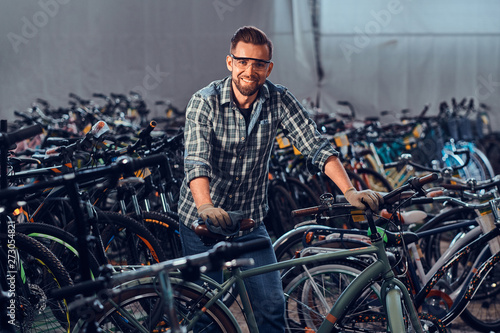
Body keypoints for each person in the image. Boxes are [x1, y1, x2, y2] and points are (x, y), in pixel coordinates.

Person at [178, 25, 383, 332]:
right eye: (243, 61)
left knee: (272, 307)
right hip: (202, 222)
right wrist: (206, 206)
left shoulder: (278, 100)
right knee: (208, 314)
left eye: (259, 64)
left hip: (249, 222)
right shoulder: (204, 101)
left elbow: (315, 145)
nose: (250, 70)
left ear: (268, 67)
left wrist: (350, 191)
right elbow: (197, 161)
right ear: (230, 62)